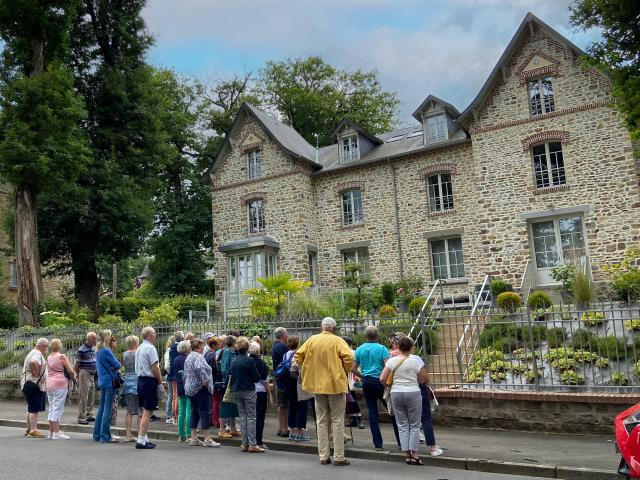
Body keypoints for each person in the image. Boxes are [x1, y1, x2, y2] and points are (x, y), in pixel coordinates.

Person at [295, 317, 354, 466]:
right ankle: (339, 456)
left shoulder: (312, 340)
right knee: (337, 420)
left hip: (317, 384)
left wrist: (308, 368)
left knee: (321, 420)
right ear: (333, 328)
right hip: (335, 384)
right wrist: (343, 371)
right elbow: (349, 357)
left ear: (322, 327)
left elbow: (298, 355)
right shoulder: (338, 341)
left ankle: (323, 455)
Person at [380, 336, 427, 466]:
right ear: (411, 347)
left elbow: (382, 378)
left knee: (402, 424)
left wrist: (391, 385)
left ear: (398, 347)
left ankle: (407, 454)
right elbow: (423, 379)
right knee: (414, 424)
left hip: (396, 393)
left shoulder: (391, 361)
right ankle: (415, 454)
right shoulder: (416, 361)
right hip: (413, 392)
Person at [353, 325, 399, 451]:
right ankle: (401, 441)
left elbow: (352, 368)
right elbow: (388, 365)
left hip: (367, 382)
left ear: (365, 336)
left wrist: (363, 376)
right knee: (391, 410)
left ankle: (377, 444)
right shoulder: (382, 348)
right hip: (380, 381)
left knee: (372, 412)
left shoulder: (359, 349)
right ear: (377, 336)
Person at [229, 336, 263, 452]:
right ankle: (253, 444)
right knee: (251, 417)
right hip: (248, 390)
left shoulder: (234, 361)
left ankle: (244, 443)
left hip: (237, 390)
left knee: (242, 417)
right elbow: (256, 378)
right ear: (247, 347)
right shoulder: (250, 361)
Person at [184, 338, 219, 447]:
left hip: (190, 388)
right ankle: (207, 438)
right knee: (205, 411)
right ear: (198, 347)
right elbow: (200, 368)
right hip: (200, 388)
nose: (203, 347)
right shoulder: (198, 357)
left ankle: (194, 437)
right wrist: (205, 380)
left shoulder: (189, 356)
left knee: (194, 411)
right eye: (202, 346)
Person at [135, 326, 164, 449]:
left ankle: (144, 438)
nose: (156, 336)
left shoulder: (140, 347)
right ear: (150, 335)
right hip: (149, 381)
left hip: (140, 380)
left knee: (144, 411)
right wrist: (160, 381)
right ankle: (141, 440)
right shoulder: (150, 348)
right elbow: (155, 367)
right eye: (154, 334)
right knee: (148, 412)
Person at [93, 330, 121, 443]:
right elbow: (117, 364)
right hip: (110, 382)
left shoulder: (98, 350)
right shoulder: (106, 351)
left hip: (102, 381)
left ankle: (97, 435)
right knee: (107, 409)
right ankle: (105, 436)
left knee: (101, 409)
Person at [45, 339, 76, 440]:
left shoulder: (49, 357)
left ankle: (51, 431)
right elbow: (70, 370)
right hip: (60, 384)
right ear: (60, 346)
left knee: (52, 407)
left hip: (49, 384)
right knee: (58, 408)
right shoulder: (61, 356)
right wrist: (74, 379)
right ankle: (57, 433)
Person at [21, 337, 49, 438]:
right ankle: (33, 430)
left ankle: (29, 429)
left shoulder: (32, 352)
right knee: (34, 409)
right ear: (41, 345)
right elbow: (33, 362)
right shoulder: (37, 353)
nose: (46, 349)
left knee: (31, 407)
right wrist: (36, 372)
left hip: (28, 383)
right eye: (46, 346)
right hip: (34, 384)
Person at [284, 336, 310, 441]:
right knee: (301, 407)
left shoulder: (286, 354)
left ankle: (292, 432)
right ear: (298, 344)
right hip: (298, 383)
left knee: (291, 407)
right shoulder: (299, 355)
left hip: (289, 383)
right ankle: (299, 433)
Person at [249, 341, 271, 449]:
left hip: (248, 391)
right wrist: (270, 395)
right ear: (258, 351)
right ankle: (258, 441)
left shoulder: (247, 362)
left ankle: (249, 440)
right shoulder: (261, 363)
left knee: (249, 417)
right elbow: (265, 380)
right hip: (260, 392)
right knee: (260, 417)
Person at [218, 335, 239, 439]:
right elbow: (225, 368)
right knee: (225, 405)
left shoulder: (233, 352)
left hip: (232, 381)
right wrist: (229, 378)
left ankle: (233, 428)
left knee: (233, 405)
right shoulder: (227, 352)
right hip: (228, 382)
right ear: (233, 343)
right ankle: (222, 429)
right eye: (236, 342)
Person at [75, 331, 97, 425]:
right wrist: (77, 374)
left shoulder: (93, 348)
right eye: (94, 338)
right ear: (88, 339)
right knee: (83, 396)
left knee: (91, 394)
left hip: (92, 373)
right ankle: (81, 417)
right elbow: (77, 364)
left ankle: (89, 414)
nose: (95, 340)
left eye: (96, 338)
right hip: (84, 373)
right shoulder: (81, 350)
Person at [123, 335, 142, 442]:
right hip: (137, 381)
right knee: (140, 411)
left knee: (129, 411)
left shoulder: (124, 354)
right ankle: (140, 434)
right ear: (136, 343)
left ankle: (128, 434)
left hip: (127, 381)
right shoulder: (138, 353)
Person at [342, 336, 364, 430]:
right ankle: (355, 419)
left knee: (351, 400)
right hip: (356, 378)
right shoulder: (355, 352)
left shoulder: (347, 352)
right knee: (352, 398)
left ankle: (358, 419)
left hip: (348, 377)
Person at [271, 327, 289, 437]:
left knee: (280, 404)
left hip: (277, 377)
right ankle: (284, 428)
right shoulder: (282, 347)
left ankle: (280, 427)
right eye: (286, 334)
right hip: (283, 378)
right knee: (283, 404)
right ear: (282, 335)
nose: (287, 336)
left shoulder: (275, 346)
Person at [174, 340, 192, 442]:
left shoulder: (176, 359)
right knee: (189, 409)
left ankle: (181, 435)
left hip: (180, 385)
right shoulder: (188, 358)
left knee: (181, 410)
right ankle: (189, 433)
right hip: (188, 385)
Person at [166, 331, 184, 425]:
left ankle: (173, 416)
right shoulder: (179, 348)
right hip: (177, 375)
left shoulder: (171, 347)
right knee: (176, 396)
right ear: (181, 338)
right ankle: (175, 416)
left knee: (173, 396)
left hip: (171, 374)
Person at [203, 336, 221, 428]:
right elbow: (213, 369)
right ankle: (215, 420)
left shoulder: (206, 354)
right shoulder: (213, 355)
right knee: (215, 401)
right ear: (213, 345)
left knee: (211, 401)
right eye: (218, 344)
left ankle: (211, 420)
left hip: (209, 380)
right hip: (213, 380)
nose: (220, 345)